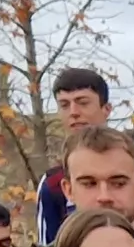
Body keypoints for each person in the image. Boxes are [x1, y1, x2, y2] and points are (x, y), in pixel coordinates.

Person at [38, 66, 112, 237]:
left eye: (83, 103)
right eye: (64, 105)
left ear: (106, 109)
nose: (74, 112)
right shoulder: (54, 182)